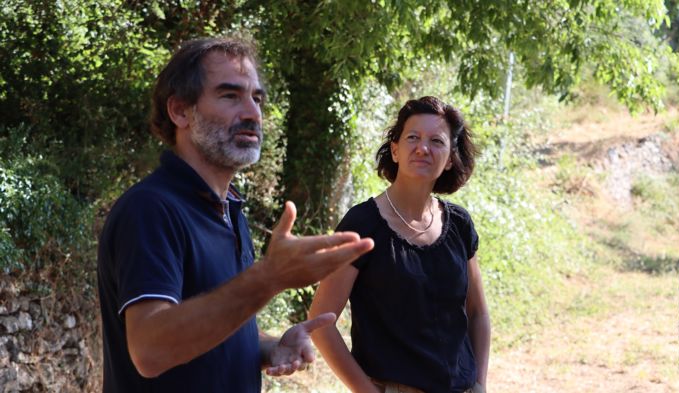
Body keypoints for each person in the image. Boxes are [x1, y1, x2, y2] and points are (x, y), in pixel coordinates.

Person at [96, 36, 374, 393]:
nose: (252, 113)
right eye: (230, 96)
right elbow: (150, 349)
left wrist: (267, 346)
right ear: (180, 111)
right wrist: (269, 278)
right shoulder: (151, 209)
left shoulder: (229, 208)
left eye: (256, 98)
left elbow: (212, 318)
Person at [309, 96, 490, 393]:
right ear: (395, 150)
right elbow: (320, 321)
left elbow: (478, 313)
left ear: (450, 159)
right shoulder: (363, 224)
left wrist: (481, 383)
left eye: (437, 141)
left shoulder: (459, 224)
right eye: (413, 137)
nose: (423, 148)